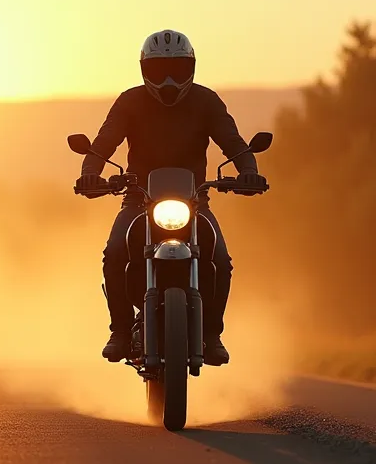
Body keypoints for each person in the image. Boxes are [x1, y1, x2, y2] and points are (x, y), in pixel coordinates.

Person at [74, 29, 267, 366]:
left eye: (177, 70)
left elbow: (234, 143)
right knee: (115, 251)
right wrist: (90, 171)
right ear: (143, 69)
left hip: (194, 202)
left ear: (191, 68)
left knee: (220, 259)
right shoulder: (130, 101)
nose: (168, 80)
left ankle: (212, 335)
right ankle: (120, 331)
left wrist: (248, 170)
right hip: (138, 200)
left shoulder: (206, 101)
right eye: (158, 70)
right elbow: (104, 143)